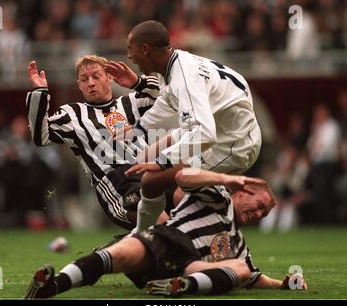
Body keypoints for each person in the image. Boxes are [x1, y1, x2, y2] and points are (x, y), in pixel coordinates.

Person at [25, 168, 307, 299]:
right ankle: (50, 287)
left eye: (264, 215)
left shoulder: (238, 242)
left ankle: (181, 287)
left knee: (242, 266)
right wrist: (224, 178)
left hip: (188, 267)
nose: (258, 215)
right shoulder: (219, 197)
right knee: (117, 254)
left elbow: (255, 277)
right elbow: (183, 177)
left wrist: (284, 284)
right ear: (244, 191)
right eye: (259, 207)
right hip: (166, 241)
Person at [106, 20, 262, 232]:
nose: (129, 56)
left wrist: (163, 161)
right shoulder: (175, 64)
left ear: (145, 49)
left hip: (234, 144)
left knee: (161, 182)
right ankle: (146, 237)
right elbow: (167, 100)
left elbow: (205, 134)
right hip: (220, 127)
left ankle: (225, 220)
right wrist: (139, 127)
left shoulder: (185, 78)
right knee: (143, 159)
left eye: (129, 49)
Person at [26, 55, 161, 230]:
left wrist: (138, 82)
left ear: (109, 78)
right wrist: (39, 93)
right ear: (79, 85)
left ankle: (128, 246)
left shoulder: (132, 102)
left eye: (96, 77)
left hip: (150, 171)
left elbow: (169, 97)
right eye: (84, 79)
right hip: (117, 184)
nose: (90, 83)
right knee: (164, 224)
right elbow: (41, 137)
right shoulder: (72, 114)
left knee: (185, 196)